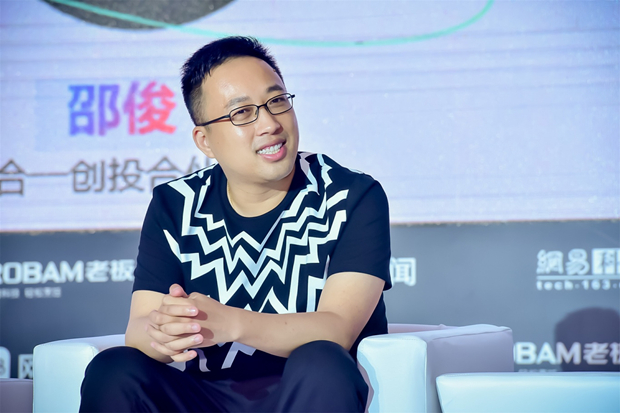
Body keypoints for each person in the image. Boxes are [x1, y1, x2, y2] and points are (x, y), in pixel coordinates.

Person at [80, 36, 392, 412]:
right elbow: (139, 330)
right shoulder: (176, 204)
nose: (270, 124)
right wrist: (168, 331)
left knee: (322, 360)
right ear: (205, 141)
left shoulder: (349, 195)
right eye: (242, 113)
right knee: (114, 368)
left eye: (277, 101)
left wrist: (232, 323)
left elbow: (337, 329)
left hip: (308, 391)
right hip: (206, 397)